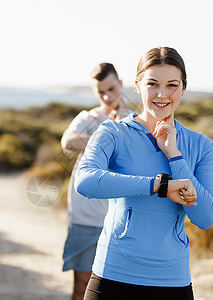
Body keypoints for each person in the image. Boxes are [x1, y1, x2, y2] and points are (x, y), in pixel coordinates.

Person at [75, 47, 213, 299]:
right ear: (138, 85)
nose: (162, 94)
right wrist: (159, 185)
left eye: (172, 85)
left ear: (183, 88)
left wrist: (174, 155)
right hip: (112, 275)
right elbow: (86, 180)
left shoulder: (201, 145)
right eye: (152, 84)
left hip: (172, 282)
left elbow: (205, 218)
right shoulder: (113, 133)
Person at [61, 63, 132, 300]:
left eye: (111, 89)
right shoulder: (89, 118)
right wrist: (105, 138)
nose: (107, 96)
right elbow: (68, 142)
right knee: (81, 286)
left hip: (122, 219)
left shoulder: (134, 120)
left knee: (116, 289)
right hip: (86, 216)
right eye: (100, 91)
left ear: (121, 85)